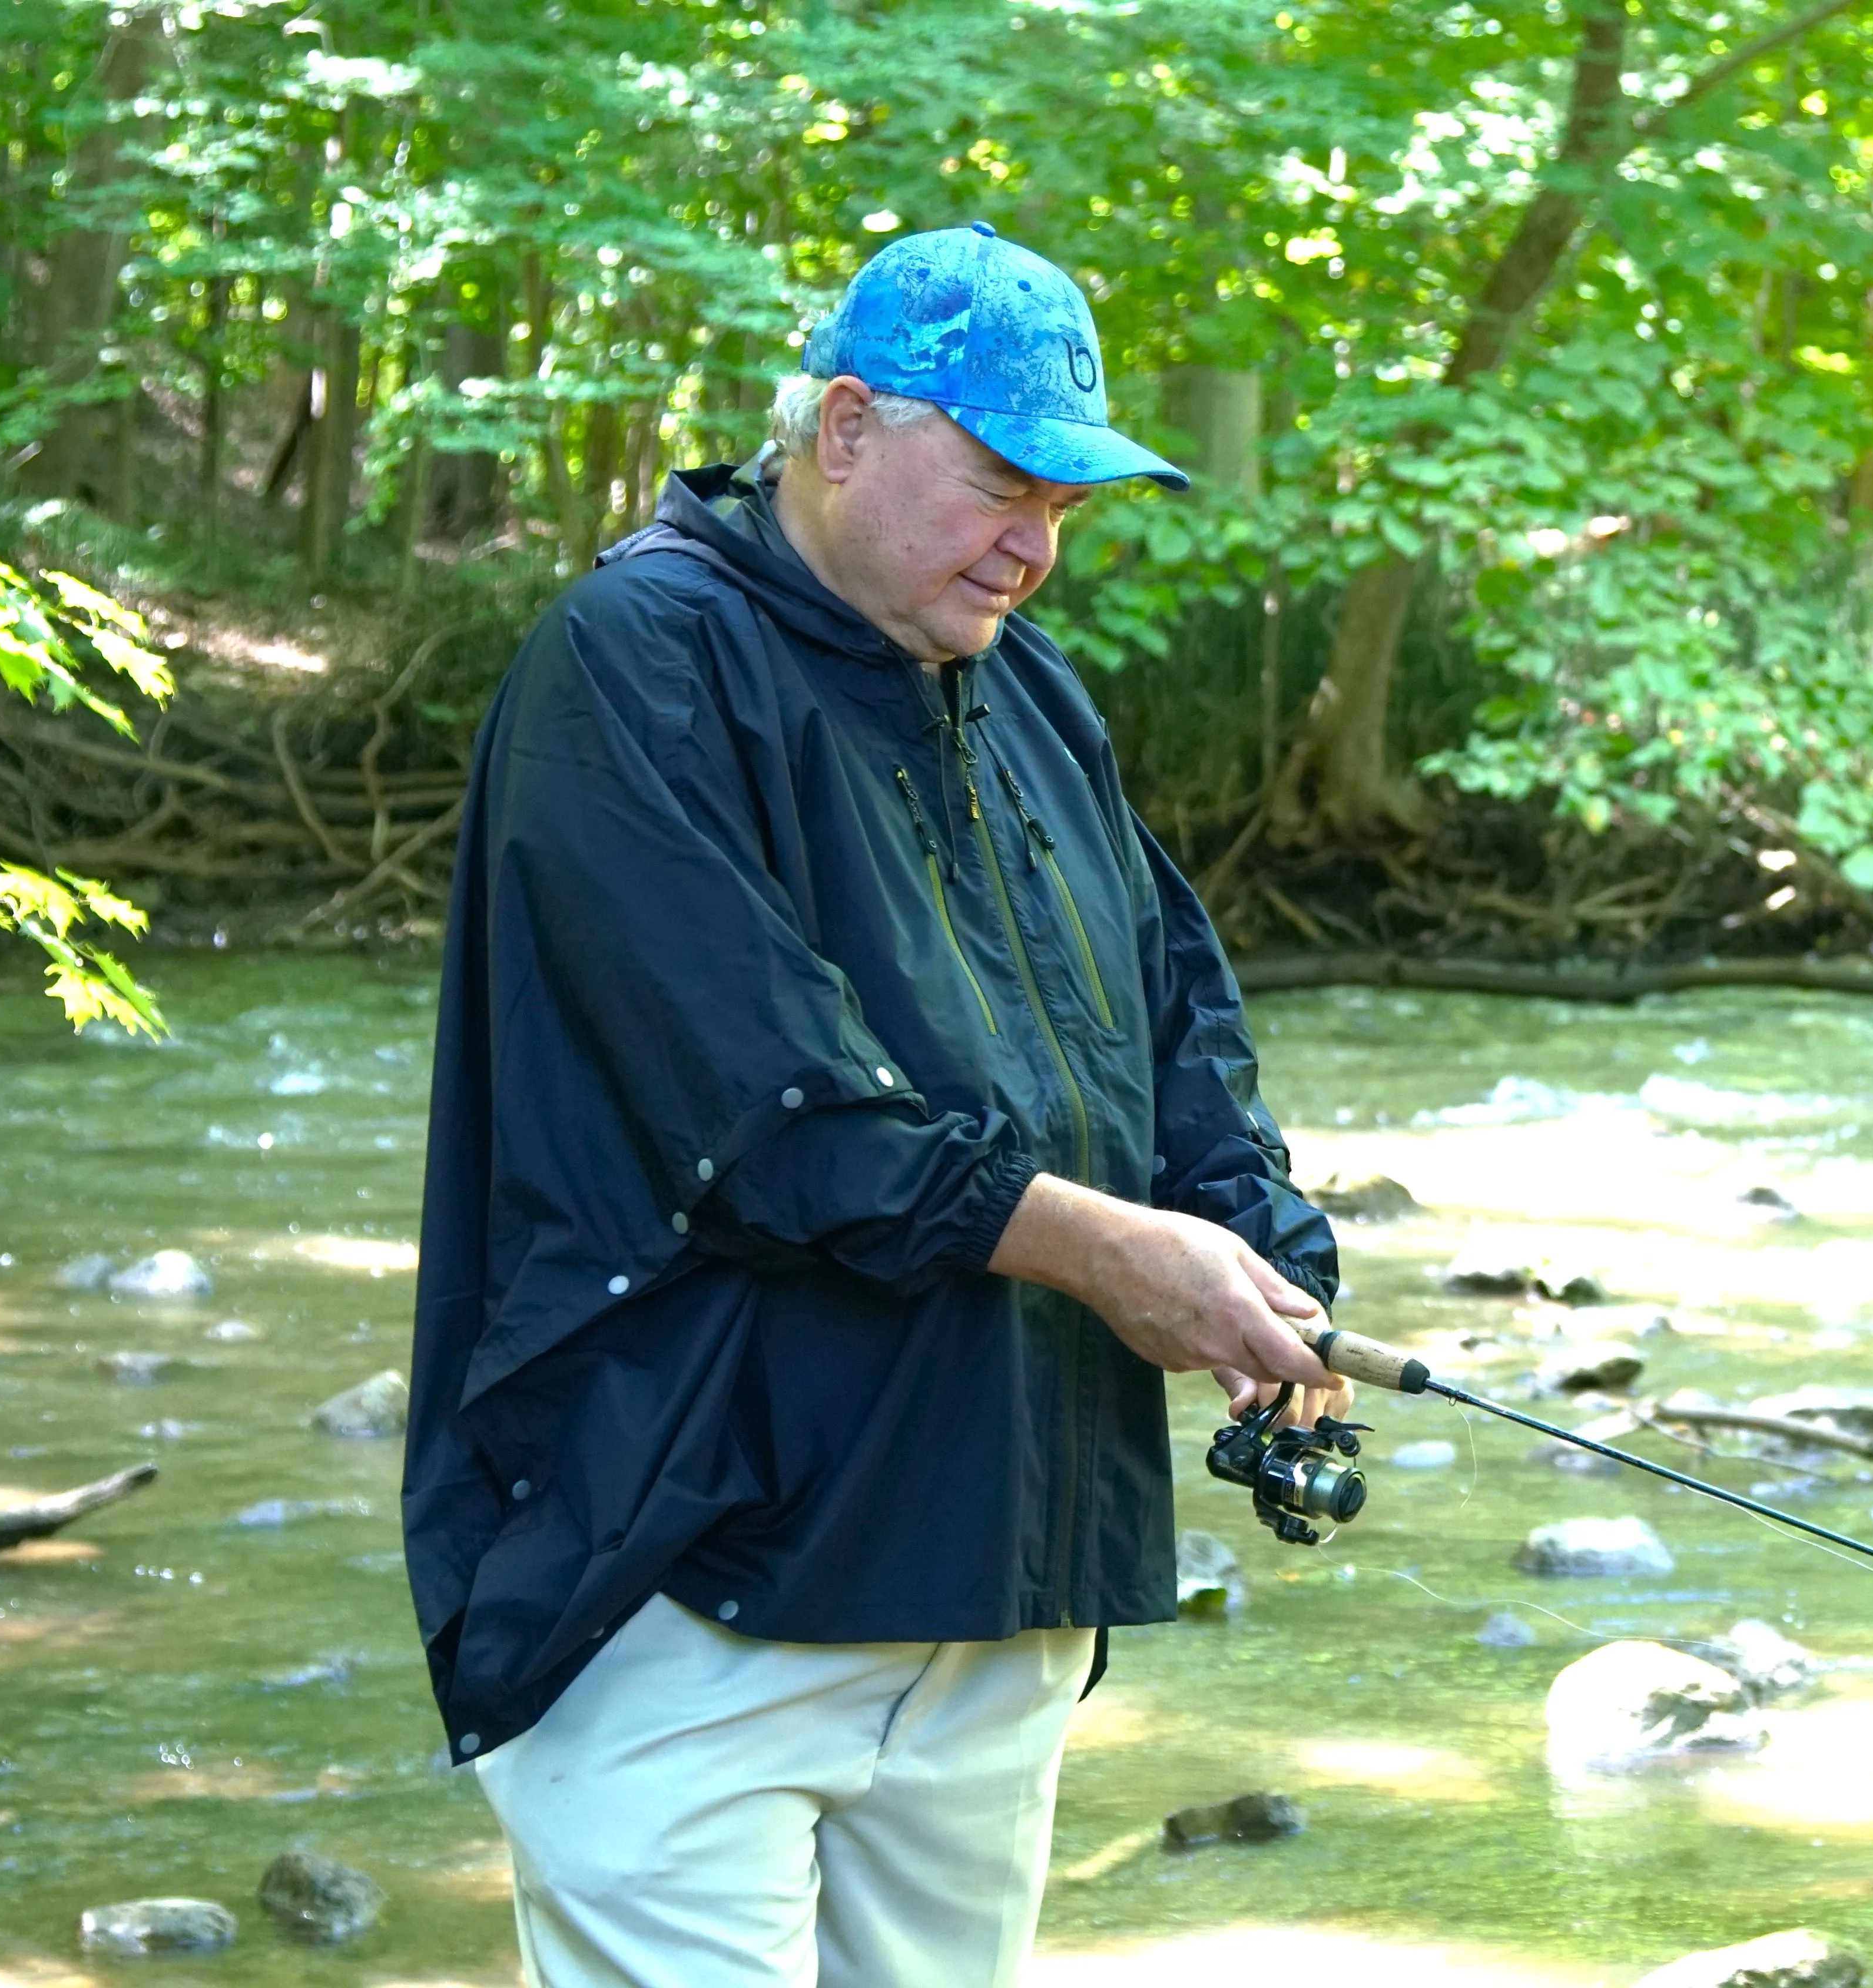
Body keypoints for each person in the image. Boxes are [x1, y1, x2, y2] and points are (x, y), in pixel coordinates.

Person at [404, 221, 1342, 1988]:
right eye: (1000, 485)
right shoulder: (631, 663)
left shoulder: (1032, 697)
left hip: (995, 1577)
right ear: (844, 429)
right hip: (689, 1592)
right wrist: (1108, 1256)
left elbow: (1172, 1030)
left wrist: (1264, 1261)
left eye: (1064, 508)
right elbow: (770, 1115)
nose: (1032, 548)